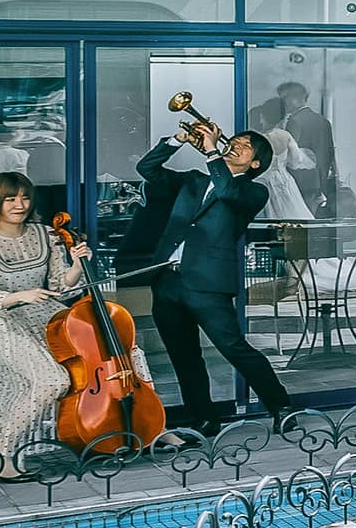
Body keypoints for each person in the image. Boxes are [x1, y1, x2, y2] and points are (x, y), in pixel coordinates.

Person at [0, 171, 167, 480]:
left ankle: (153, 427)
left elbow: (62, 286)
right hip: (6, 323)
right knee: (52, 382)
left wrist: (77, 264)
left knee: (128, 352)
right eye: (10, 199)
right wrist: (20, 296)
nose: (19, 205)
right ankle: (0, 455)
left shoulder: (47, 234)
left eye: (25, 198)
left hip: (53, 319)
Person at [123, 120, 294, 431]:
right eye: (236, 140)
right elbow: (147, 169)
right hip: (167, 280)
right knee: (183, 356)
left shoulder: (253, 191)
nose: (236, 145)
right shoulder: (192, 181)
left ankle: (281, 406)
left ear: (255, 164)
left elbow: (227, 191)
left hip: (208, 284)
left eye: (246, 147)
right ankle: (204, 418)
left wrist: (213, 151)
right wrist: (178, 139)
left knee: (234, 348)